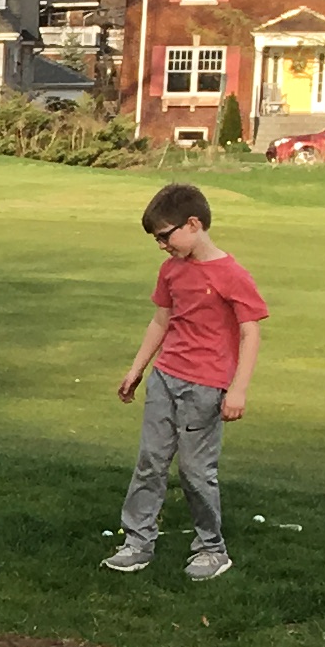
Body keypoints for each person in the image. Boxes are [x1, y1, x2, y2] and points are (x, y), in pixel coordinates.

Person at [107, 182, 264, 579]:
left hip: (206, 387)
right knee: (150, 462)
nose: (162, 245)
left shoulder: (231, 274)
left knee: (195, 471)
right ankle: (137, 542)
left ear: (193, 224)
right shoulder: (171, 271)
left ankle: (211, 548)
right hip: (165, 378)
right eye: (157, 240)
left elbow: (250, 332)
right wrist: (137, 369)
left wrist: (238, 389)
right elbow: (161, 321)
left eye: (165, 236)